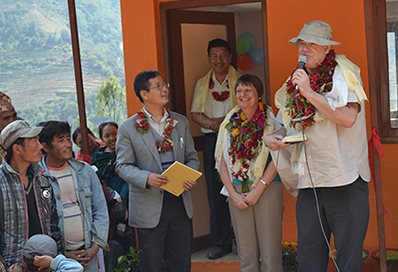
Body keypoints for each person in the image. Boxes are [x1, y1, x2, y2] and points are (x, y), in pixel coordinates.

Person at [263, 20, 370, 272]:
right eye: (302, 43)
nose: (305, 48)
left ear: (327, 49)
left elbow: (347, 118)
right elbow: (284, 125)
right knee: (309, 261)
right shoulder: (296, 81)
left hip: (344, 179)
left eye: (313, 44)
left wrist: (309, 93)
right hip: (310, 183)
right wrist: (273, 137)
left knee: (348, 262)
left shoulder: (344, 72)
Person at [116, 70, 199, 272]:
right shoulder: (128, 128)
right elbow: (122, 166)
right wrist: (147, 178)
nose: (165, 89)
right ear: (144, 94)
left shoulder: (181, 122)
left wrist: (190, 175)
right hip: (149, 205)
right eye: (159, 86)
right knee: (151, 264)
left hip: (179, 202)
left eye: (165, 85)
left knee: (180, 263)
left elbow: (192, 157)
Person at [215, 74, 283, 271]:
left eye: (248, 90)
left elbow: (278, 161)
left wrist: (258, 190)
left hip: (266, 188)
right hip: (236, 190)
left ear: (259, 94)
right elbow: (221, 162)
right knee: (246, 255)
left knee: (270, 254)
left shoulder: (272, 121)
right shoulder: (229, 122)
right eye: (239, 91)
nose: (243, 95)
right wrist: (233, 194)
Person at [38, 121, 109, 271]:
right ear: (45, 146)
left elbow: (101, 210)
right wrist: (62, 254)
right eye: (60, 140)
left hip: (89, 252)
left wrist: (95, 247)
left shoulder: (85, 171)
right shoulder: (38, 177)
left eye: (68, 138)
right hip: (58, 259)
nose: (68, 144)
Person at [190, 38, 238, 259]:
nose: (219, 60)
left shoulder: (240, 81)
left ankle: (241, 238)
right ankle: (221, 241)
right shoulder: (203, 83)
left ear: (230, 56)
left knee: (239, 187)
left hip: (238, 138)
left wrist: (227, 122)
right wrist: (214, 124)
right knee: (214, 191)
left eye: (223, 55)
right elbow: (195, 114)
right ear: (209, 58)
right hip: (211, 140)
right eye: (214, 56)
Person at [0, 120, 62, 268]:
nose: (41, 146)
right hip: (12, 267)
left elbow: (54, 226)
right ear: (17, 149)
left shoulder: (43, 181)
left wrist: (55, 261)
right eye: (34, 141)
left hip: (45, 265)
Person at [92, 121, 128, 201]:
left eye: (115, 134)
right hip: (106, 197)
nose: (112, 138)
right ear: (102, 139)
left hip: (127, 194)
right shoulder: (97, 157)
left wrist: (122, 197)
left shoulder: (127, 152)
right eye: (107, 136)